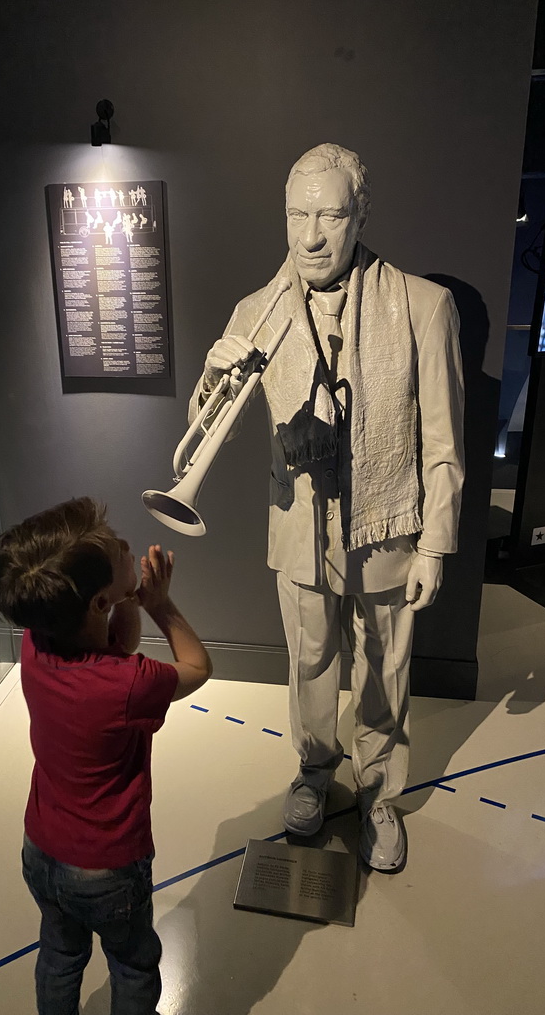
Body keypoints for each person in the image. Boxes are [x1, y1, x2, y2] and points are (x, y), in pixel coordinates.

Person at [189, 143, 464, 872]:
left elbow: (442, 440)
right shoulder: (258, 311)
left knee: (385, 668)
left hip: (385, 525)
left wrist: (435, 544)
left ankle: (379, 795)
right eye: (297, 214)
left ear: (360, 215)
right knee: (309, 663)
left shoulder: (423, 307)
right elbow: (206, 430)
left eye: (330, 215)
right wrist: (212, 379)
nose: (310, 235)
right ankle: (314, 773)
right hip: (300, 527)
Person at [0, 497, 211, 1015]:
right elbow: (197, 666)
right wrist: (161, 607)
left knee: (60, 955)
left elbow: (115, 645)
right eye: (118, 551)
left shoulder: (36, 641)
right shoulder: (131, 685)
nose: (127, 546)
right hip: (107, 869)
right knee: (132, 964)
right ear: (95, 604)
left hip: (41, 850)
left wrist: (125, 595)